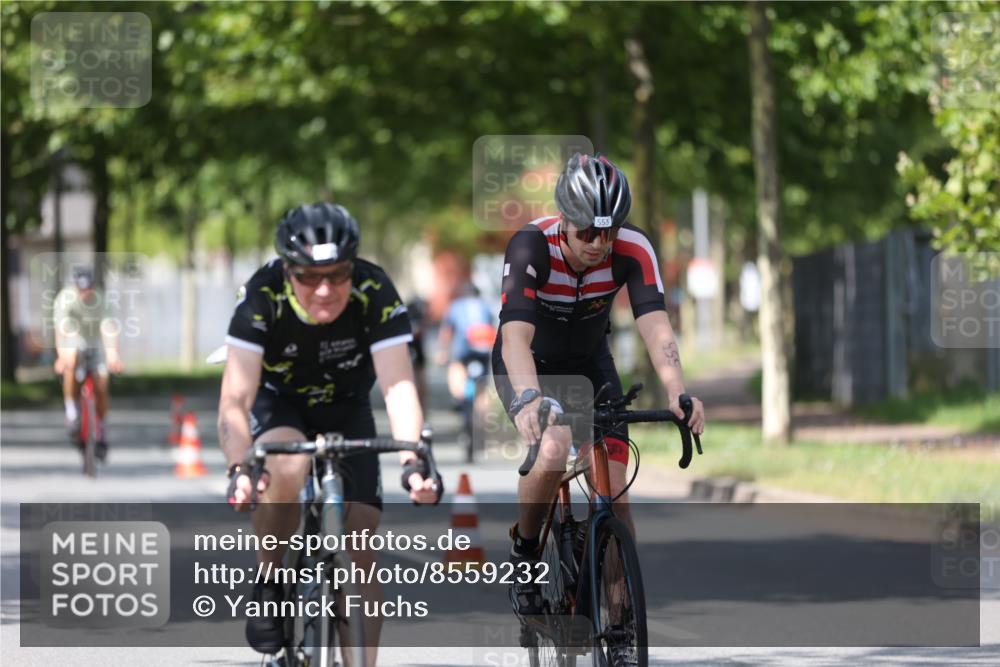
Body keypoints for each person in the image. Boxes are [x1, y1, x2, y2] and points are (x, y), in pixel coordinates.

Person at [217, 202, 442, 664]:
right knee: (287, 464)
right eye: (309, 276)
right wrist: (240, 469)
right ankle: (270, 577)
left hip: (348, 408)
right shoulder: (263, 295)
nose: (325, 289)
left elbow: (398, 386)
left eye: (338, 274)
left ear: (352, 267)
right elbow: (234, 402)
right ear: (287, 270)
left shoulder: (374, 288)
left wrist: (413, 462)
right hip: (280, 403)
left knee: (361, 543)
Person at [491, 153, 706, 616]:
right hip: (529, 363)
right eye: (587, 231)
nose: (598, 243)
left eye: (607, 232)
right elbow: (515, 340)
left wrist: (677, 392)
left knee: (615, 493)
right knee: (553, 447)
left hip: (590, 362)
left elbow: (656, 328)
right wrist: (530, 399)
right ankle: (526, 555)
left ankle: (621, 625)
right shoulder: (532, 246)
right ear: (565, 219)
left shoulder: (633, 247)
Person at [52, 267, 123, 461]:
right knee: (70, 362)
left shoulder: (102, 300)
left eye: (89, 288)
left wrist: (112, 354)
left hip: (96, 344)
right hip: (73, 341)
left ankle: (102, 427)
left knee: (101, 384)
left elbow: (109, 328)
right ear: (75, 287)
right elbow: (62, 330)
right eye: (81, 288)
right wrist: (62, 356)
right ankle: (72, 412)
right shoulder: (65, 299)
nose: (85, 293)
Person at [435, 281, 496, 407]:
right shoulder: (485, 306)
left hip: (463, 348)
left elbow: (447, 331)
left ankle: (458, 396)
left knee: (456, 366)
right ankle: (483, 411)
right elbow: (491, 327)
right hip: (483, 348)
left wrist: (443, 351)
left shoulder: (456, 306)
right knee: (482, 388)